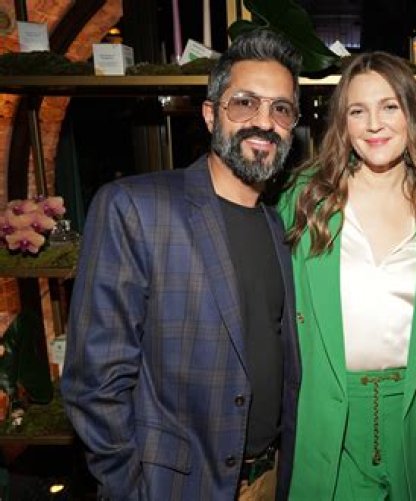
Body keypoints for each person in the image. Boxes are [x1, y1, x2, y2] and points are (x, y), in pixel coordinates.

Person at [61, 28, 302, 501]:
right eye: (244, 103)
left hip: (270, 480)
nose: (264, 122)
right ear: (211, 115)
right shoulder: (136, 208)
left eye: (281, 109)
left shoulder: (278, 225)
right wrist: (128, 489)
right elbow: (94, 384)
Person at [278, 52, 416, 500]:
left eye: (389, 106)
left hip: (414, 415)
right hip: (325, 416)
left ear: (412, 113)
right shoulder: (306, 198)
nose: (374, 124)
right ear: (343, 122)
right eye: (358, 111)